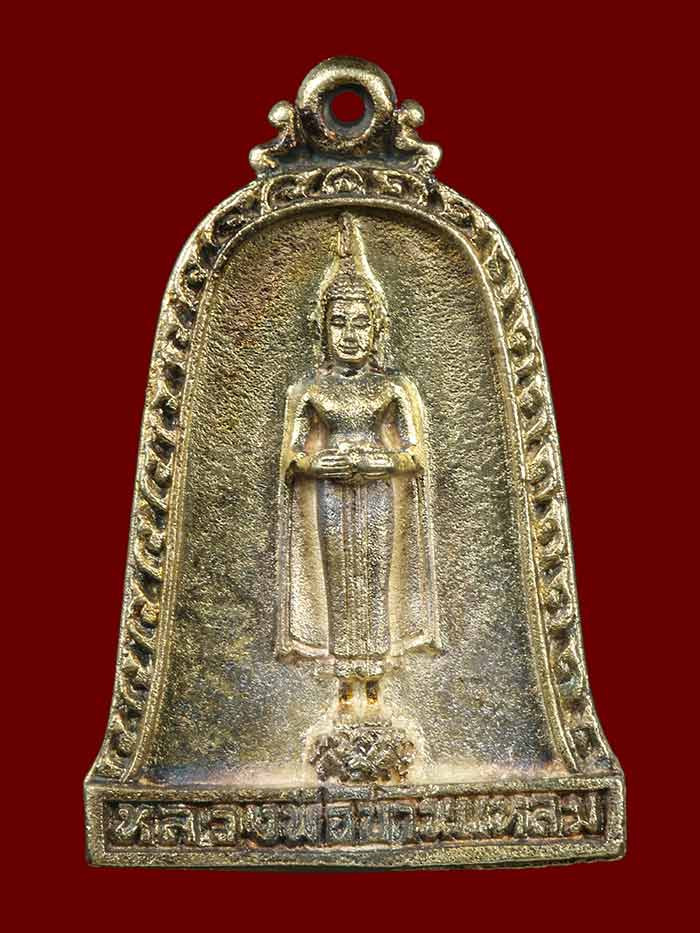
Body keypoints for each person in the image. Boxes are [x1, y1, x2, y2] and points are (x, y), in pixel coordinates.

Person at [276, 213, 440, 714]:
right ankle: (345, 682)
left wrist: (382, 461)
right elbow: (291, 458)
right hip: (330, 491)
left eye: (360, 322)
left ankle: (375, 680)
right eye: (339, 322)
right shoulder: (310, 390)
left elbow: (415, 454)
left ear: (377, 328)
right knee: (338, 579)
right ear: (322, 328)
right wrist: (318, 465)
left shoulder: (394, 387)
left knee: (373, 577)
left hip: (376, 492)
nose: (349, 334)